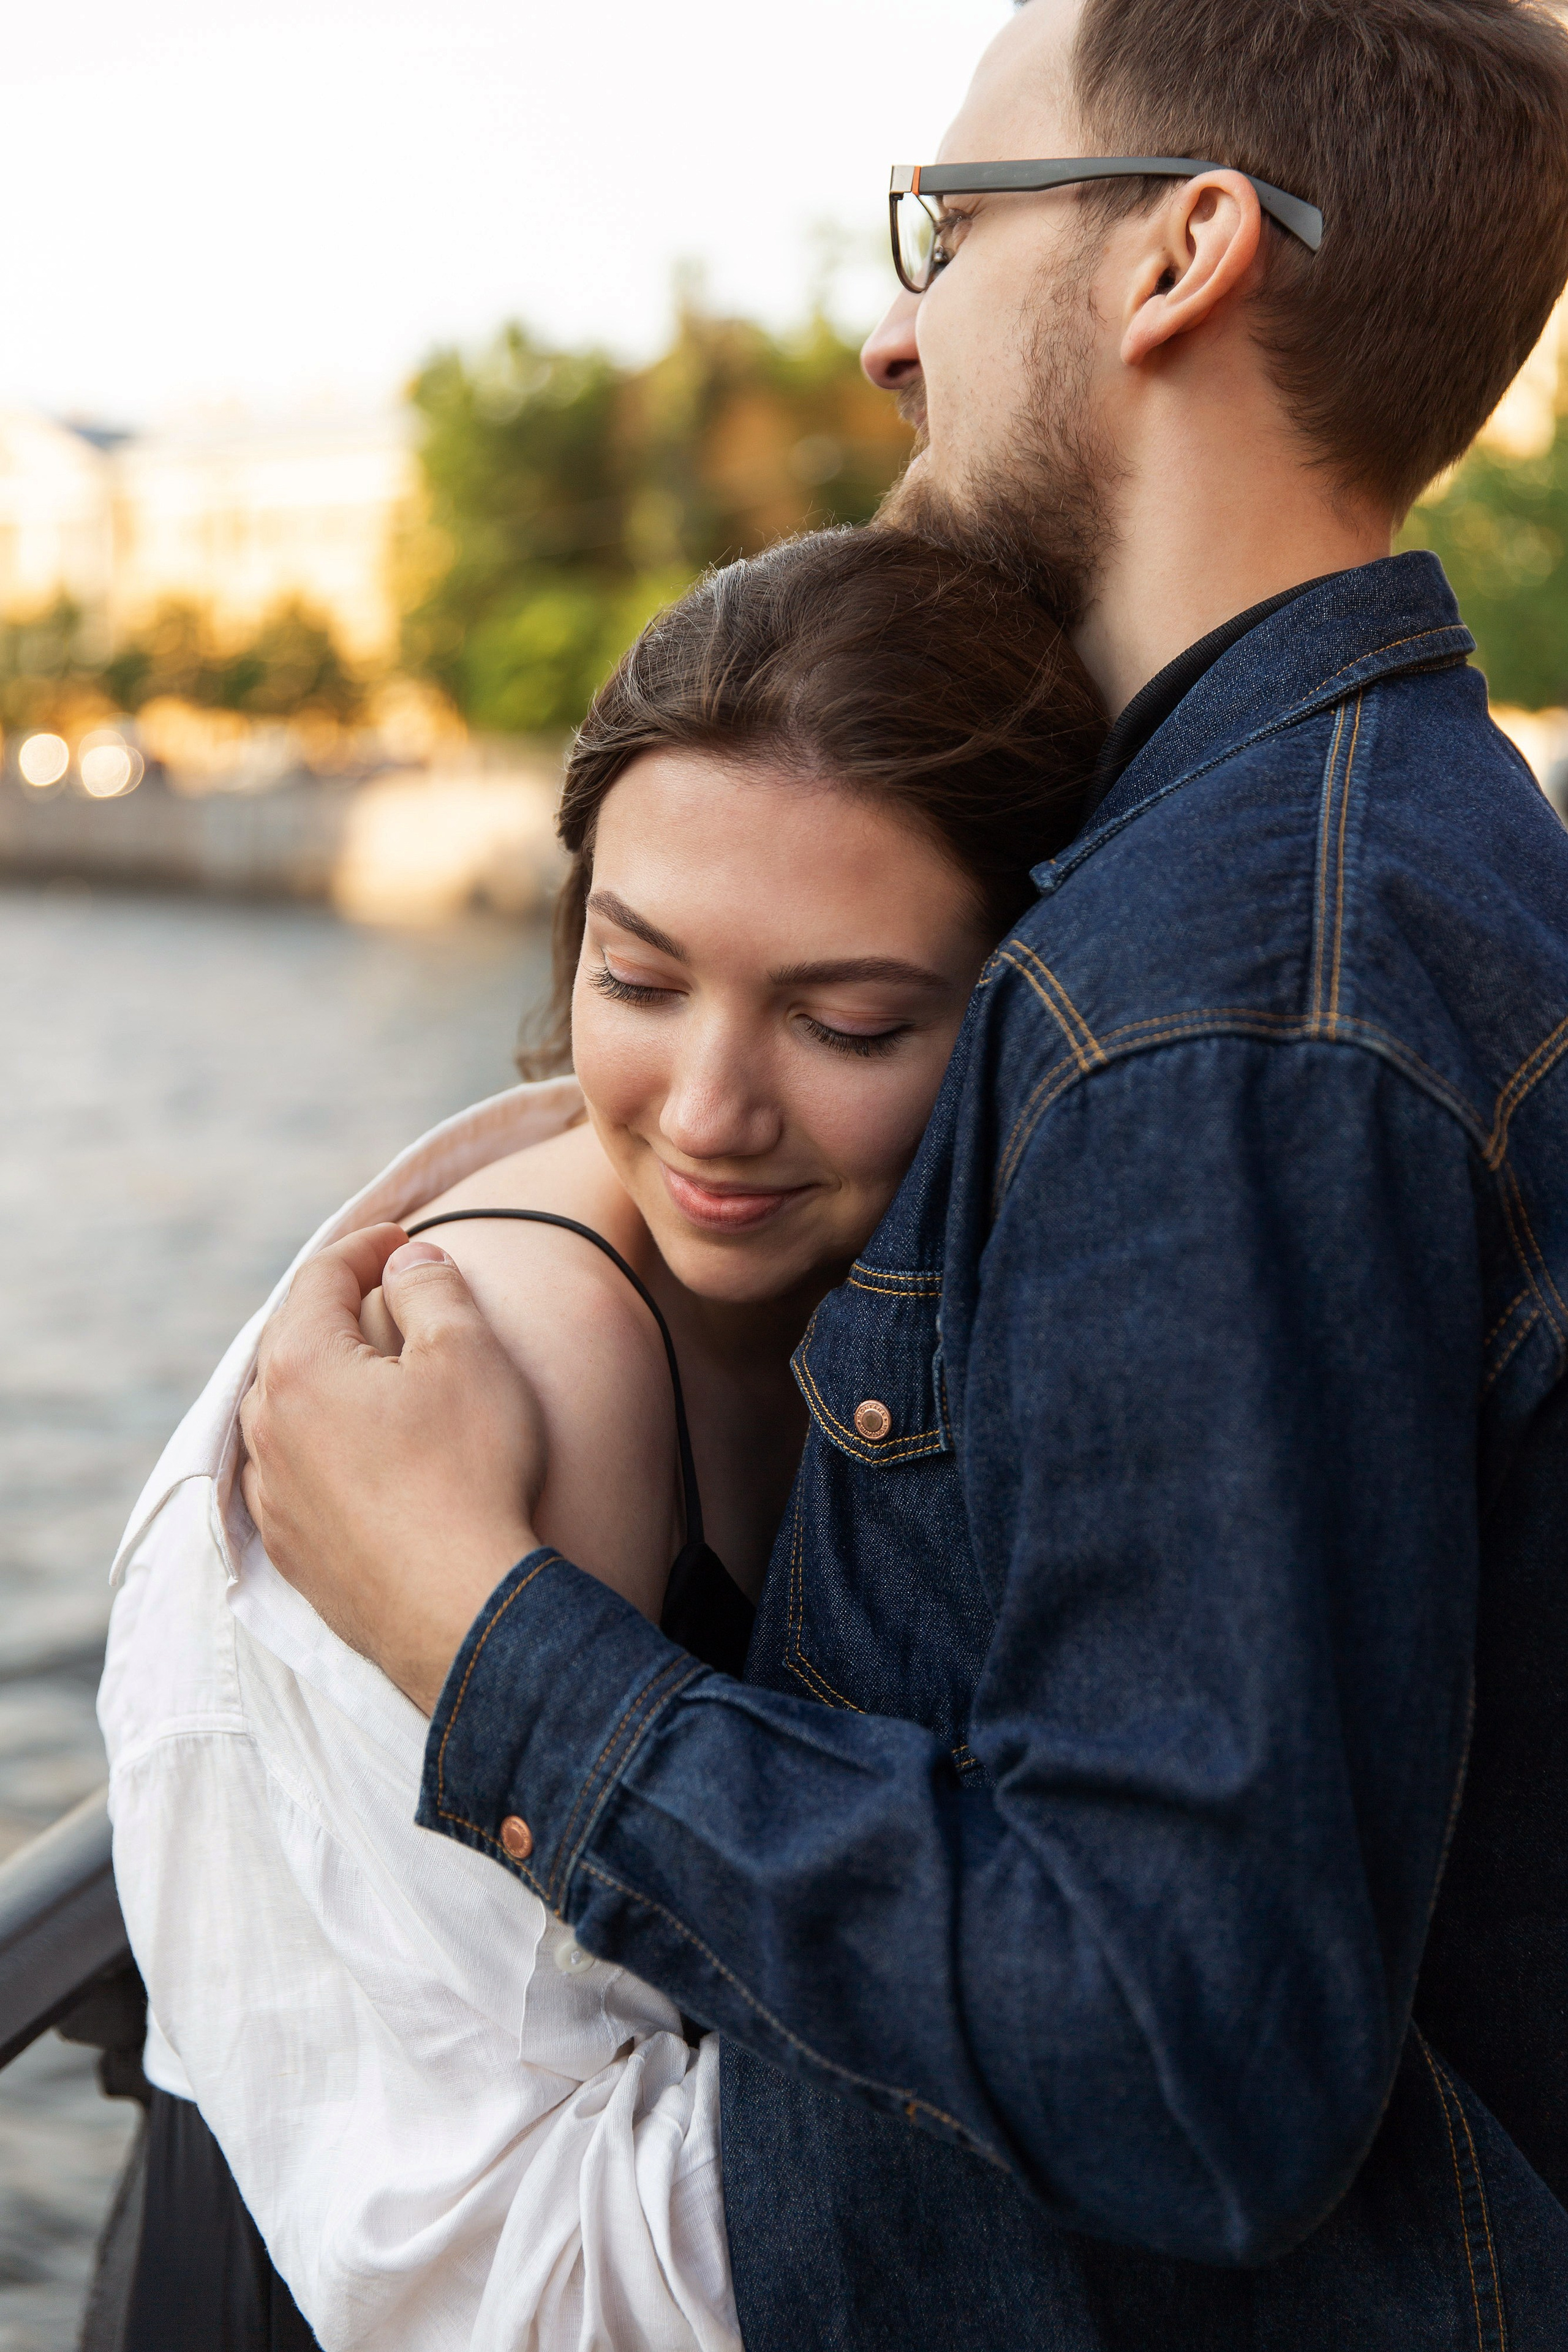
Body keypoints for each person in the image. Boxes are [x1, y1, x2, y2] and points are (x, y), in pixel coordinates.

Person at [238, 0, 1568, 2343]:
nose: (886, 332)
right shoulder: (1352, 867)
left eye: (941, 229)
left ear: (1182, 257)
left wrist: (473, 1629)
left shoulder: (1219, 1010)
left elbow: (1184, 2060)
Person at [99, 526, 1104, 2349]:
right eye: (637, 983)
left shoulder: (863, 1302)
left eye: (846, 1020)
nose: (712, 1113)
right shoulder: (537, 1356)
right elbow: (480, 2249)